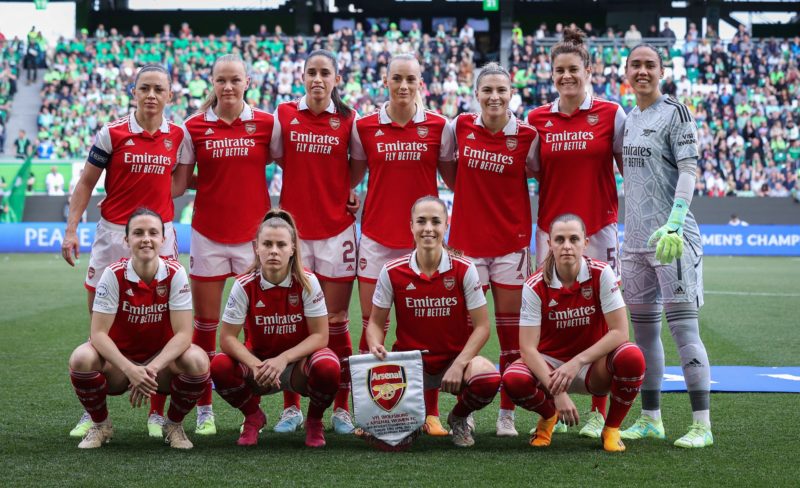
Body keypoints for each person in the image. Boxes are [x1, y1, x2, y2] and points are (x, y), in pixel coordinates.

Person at [62, 64, 185, 439]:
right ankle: (94, 413)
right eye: (144, 88)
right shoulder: (112, 133)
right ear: (134, 92)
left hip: (159, 235)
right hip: (113, 233)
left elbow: (179, 184)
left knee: (162, 318)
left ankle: (156, 410)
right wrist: (71, 231)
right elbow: (85, 183)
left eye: (158, 89)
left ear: (169, 95)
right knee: (99, 322)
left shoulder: (177, 136)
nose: (151, 95)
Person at [526, 27, 626, 438]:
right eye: (559, 71)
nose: (566, 76)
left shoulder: (611, 113)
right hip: (551, 233)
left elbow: (629, 169)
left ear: (589, 70)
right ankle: (550, 405)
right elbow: (527, 174)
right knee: (553, 312)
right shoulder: (537, 119)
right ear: (551, 75)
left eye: (573, 69)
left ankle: (598, 413)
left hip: (599, 231)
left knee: (600, 316)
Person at [350, 53, 456, 437]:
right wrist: (348, 198)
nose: (404, 86)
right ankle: (367, 410)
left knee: (425, 328)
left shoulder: (440, 127)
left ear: (421, 82)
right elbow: (351, 177)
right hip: (377, 239)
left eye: (411, 79)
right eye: (397, 78)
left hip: (422, 242)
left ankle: (430, 413)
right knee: (371, 326)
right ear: (386, 80)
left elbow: (456, 180)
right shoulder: (364, 127)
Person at [174, 54, 278, 436]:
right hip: (208, 234)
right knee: (205, 325)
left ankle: (287, 407)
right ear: (212, 83)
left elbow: (297, 167)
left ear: (247, 81)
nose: (229, 87)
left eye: (235, 80)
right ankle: (203, 407)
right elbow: (182, 182)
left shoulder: (268, 123)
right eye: (222, 80)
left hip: (256, 239)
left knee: (265, 322)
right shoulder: (194, 126)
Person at [619, 44, 713, 448]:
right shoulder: (631, 117)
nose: (642, 71)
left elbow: (690, 169)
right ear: (626, 71)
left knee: (684, 331)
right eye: (636, 65)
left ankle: (702, 425)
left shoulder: (675, 112)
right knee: (643, 337)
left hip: (672, 241)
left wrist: (675, 223)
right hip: (636, 243)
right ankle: (651, 418)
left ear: (662, 71)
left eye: (649, 65)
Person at [67, 208, 209, 449]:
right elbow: (98, 334)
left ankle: (173, 425)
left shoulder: (175, 273)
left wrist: (150, 368)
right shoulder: (113, 274)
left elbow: (184, 334)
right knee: (81, 358)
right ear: (126, 239)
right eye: (138, 233)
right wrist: (130, 369)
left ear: (163, 240)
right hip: (119, 366)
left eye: (153, 232)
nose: (146, 238)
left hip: (160, 367)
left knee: (198, 360)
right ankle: (101, 425)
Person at [502, 213, 645, 452]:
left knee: (632, 356)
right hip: (549, 368)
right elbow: (527, 348)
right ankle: (549, 416)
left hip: (592, 366)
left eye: (573, 239)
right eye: (559, 239)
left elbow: (621, 332)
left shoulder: (601, 273)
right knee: (513, 378)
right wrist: (556, 394)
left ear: (585, 243)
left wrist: (577, 362)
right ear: (549, 244)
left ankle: (611, 429)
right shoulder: (534, 285)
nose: (566, 246)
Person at [365, 196, 501, 448]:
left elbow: (483, 327)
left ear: (446, 226)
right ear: (411, 226)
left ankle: (459, 417)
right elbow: (374, 323)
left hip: (454, 362)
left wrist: (459, 364)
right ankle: (412, 421)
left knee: (487, 376)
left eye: (435, 221)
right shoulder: (392, 270)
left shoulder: (464, 268)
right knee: (389, 443)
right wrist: (375, 344)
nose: (428, 228)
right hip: (409, 366)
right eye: (421, 221)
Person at [270, 49, 359, 435]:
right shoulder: (285, 114)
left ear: (336, 78)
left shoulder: (349, 119)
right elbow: (280, 157)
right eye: (311, 72)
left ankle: (341, 407)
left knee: (336, 321)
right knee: (294, 322)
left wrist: (343, 192)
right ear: (302, 76)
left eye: (325, 72)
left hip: (338, 232)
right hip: (295, 236)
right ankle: (291, 407)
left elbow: (355, 167)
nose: (318, 79)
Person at [449, 62, 538, 437]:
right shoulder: (460, 127)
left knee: (511, 334)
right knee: (464, 331)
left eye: (501, 90)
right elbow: (447, 170)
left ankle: (507, 414)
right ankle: (464, 411)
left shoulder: (528, 136)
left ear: (512, 93)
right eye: (487, 90)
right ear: (477, 94)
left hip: (510, 245)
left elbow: (539, 175)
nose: (495, 97)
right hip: (467, 244)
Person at [210, 209, 340, 448]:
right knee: (219, 365)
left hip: (299, 366)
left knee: (329, 366)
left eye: (281, 245)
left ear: (293, 249)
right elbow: (227, 338)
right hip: (259, 368)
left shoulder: (307, 282)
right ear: (255, 247)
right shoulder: (244, 285)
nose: (273, 251)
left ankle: (314, 421)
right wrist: (253, 364)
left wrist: (283, 359)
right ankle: (253, 416)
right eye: (267, 244)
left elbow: (321, 336)